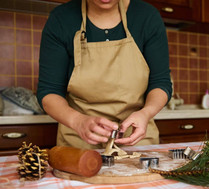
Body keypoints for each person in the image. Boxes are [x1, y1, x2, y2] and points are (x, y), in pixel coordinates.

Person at [37, 0, 172, 149]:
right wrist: (78, 121)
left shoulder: (146, 17)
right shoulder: (61, 19)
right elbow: (49, 91)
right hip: (78, 140)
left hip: (136, 138)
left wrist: (146, 113)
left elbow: (160, 82)